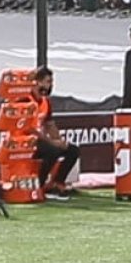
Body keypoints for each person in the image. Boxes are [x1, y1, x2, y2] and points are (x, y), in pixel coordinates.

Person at [32, 66, 79, 200]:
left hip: (41, 140)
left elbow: (50, 124)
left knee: (72, 150)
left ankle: (58, 183)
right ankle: (39, 186)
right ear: (37, 82)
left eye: (51, 82)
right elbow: (29, 129)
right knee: (52, 151)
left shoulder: (45, 102)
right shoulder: (26, 100)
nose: (50, 86)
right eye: (47, 82)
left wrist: (60, 141)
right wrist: (52, 142)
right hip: (27, 141)